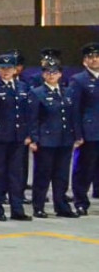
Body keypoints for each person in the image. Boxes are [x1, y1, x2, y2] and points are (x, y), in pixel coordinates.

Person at [0, 52, 32, 221]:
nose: (6, 71)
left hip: (17, 137)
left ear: (15, 69)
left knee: (16, 175)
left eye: (9, 68)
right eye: (3, 68)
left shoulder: (23, 87)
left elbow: (27, 113)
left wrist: (28, 133)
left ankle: (17, 209)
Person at [29, 58, 81, 218]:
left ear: (60, 74)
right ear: (43, 75)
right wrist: (34, 139)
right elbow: (33, 118)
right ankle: (38, 206)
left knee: (62, 175)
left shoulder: (67, 92)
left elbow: (73, 115)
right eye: (48, 72)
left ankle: (61, 206)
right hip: (46, 140)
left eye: (55, 72)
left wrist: (77, 135)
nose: (51, 75)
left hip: (65, 139)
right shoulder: (37, 93)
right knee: (43, 175)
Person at [67, 42, 99, 216]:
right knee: (85, 169)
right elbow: (75, 109)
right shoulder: (79, 80)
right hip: (90, 131)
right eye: (90, 57)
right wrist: (77, 134)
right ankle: (80, 201)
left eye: (97, 56)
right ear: (84, 60)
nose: (94, 60)